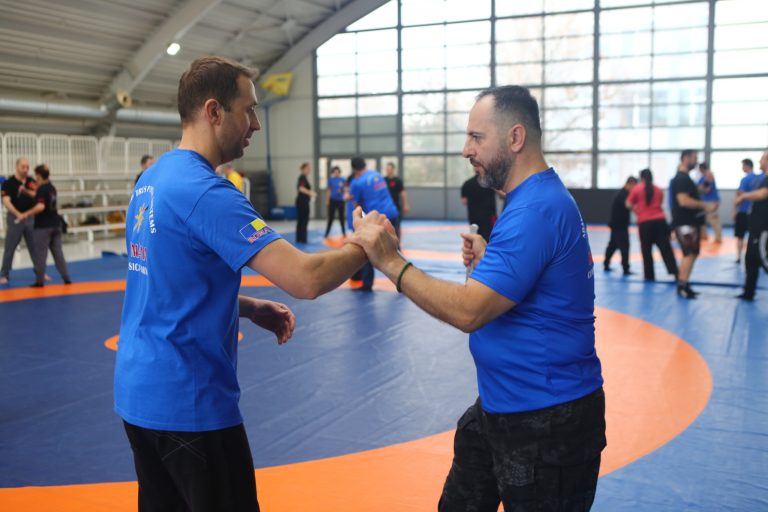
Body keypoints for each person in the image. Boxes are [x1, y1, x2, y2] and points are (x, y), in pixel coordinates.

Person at [114, 56, 386, 512]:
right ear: (214, 111)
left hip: (139, 395)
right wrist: (366, 244)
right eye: (250, 109)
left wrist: (246, 305)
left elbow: (167, 277)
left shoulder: (152, 180)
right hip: (190, 403)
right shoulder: (207, 192)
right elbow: (305, 278)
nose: (256, 124)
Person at [349, 85, 605, 511]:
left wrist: (391, 262)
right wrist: (490, 263)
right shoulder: (533, 200)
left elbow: (470, 311)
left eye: (476, 137)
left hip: (546, 421)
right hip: (503, 404)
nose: (466, 149)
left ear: (515, 138)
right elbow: (532, 283)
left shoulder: (533, 211)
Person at [348, 156, 399, 292]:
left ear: (354, 169)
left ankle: (366, 284)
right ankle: (405, 280)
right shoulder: (377, 175)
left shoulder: (357, 182)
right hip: (391, 213)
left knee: (366, 248)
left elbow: (357, 206)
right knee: (394, 249)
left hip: (376, 217)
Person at [670, 149, 715, 299]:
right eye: (694, 158)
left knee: (693, 253)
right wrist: (705, 205)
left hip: (690, 222)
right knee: (689, 254)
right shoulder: (681, 179)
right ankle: (682, 285)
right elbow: (683, 200)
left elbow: (697, 191)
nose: (696, 162)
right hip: (685, 223)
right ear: (686, 158)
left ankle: (685, 283)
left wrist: (707, 181)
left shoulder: (687, 179)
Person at [17, 164, 71, 287]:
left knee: (40, 255)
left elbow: (40, 206)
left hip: (43, 226)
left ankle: (39, 281)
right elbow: (39, 197)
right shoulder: (51, 188)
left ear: (39, 176)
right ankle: (66, 278)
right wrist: (25, 191)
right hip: (55, 224)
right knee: (58, 253)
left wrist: (25, 214)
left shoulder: (42, 189)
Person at [626, 169, 679, 282]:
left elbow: (628, 203)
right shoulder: (658, 190)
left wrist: (637, 210)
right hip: (660, 222)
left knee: (646, 250)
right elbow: (659, 203)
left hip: (645, 224)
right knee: (666, 249)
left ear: (641, 178)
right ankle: (675, 272)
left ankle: (649, 276)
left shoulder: (637, 189)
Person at [734, 149, 768, 301]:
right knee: (751, 260)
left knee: (763, 260)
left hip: (762, 229)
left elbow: (762, 194)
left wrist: (743, 196)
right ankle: (748, 292)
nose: (760, 161)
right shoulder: (762, 179)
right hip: (755, 228)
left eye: (762, 159)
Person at [0, 157, 37, 285]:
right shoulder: (8, 183)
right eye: (23, 167)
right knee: (10, 247)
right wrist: (18, 214)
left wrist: (25, 191)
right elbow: (6, 201)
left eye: (27, 167)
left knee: (34, 247)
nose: (26, 169)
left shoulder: (31, 181)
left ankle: (40, 272)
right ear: (17, 167)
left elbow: (36, 195)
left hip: (30, 217)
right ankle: (4, 274)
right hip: (15, 218)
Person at [603, 175, 637, 274]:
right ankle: (625, 268)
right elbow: (630, 206)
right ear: (630, 184)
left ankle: (606, 264)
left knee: (613, 245)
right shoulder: (624, 194)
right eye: (634, 186)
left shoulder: (623, 193)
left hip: (617, 224)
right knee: (624, 246)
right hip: (619, 225)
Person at [460, 174, 498, 242]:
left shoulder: (467, 184)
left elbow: (464, 201)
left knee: (476, 238)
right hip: (488, 217)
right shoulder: (491, 182)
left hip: (474, 217)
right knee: (490, 239)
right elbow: (501, 194)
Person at [734, 158, 757, 264]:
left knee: (740, 236)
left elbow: (740, 195)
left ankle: (739, 257)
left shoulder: (745, 179)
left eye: (743, 165)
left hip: (743, 211)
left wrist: (735, 209)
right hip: (755, 212)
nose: (742, 168)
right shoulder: (759, 178)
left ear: (747, 166)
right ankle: (755, 257)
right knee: (754, 236)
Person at [697, 162, 721, 243]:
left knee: (713, 220)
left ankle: (718, 238)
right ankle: (704, 236)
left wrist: (699, 189)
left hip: (711, 201)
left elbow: (706, 189)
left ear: (701, 169)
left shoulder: (709, 175)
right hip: (705, 201)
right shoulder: (703, 177)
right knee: (703, 219)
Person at [384, 162, 410, 239]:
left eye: (389, 169)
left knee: (396, 226)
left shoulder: (398, 181)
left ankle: (398, 242)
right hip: (386, 207)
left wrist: (405, 205)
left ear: (393, 169)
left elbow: (403, 193)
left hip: (396, 206)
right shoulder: (383, 180)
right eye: (387, 169)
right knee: (386, 226)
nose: (388, 170)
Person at [295, 162, 316, 243]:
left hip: (303, 201)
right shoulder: (302, 177)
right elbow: (301, 188)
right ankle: (302, 238)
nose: (309, 170)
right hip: (302, 202)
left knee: (301, 219)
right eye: (308, 168)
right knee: (303, 219)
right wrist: (311, 193)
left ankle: (300, 237)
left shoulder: (304, 178)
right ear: (304, 169)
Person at [324, 165, 346, 237]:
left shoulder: (343, 179)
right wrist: (327, 200)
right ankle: (327, 233)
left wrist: (342, 190)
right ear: (333, 173)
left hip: (340, 201)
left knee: (341, 217)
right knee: (331, 217)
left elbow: (346, 189)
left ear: (339, 172)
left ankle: (344, 233)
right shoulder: (331, 180)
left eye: (337, 172)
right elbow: (328, 190)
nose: (336, 173)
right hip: (332, 201)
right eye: (334, 172)